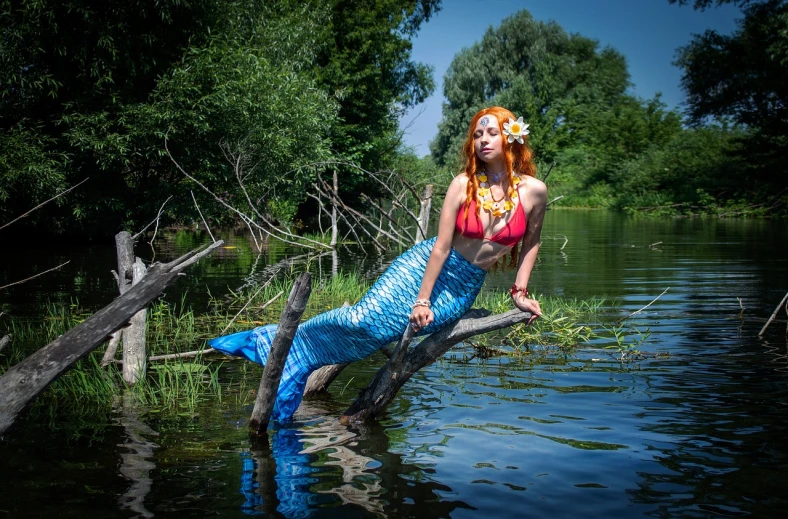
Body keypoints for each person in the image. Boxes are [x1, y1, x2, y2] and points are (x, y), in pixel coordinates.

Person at [209, 106, 547, 422]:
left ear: (511, 138)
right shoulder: (463, 184)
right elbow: (441, 247)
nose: (483, 140)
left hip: (464, 286)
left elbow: (531, 243)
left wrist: (519, 291)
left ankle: (297, 360)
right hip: (424, 267)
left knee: (377, 334)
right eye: (477, 134)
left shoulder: (534, 191)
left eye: (491, 133)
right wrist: (422, 299)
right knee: (363, 319)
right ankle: (274, 341)